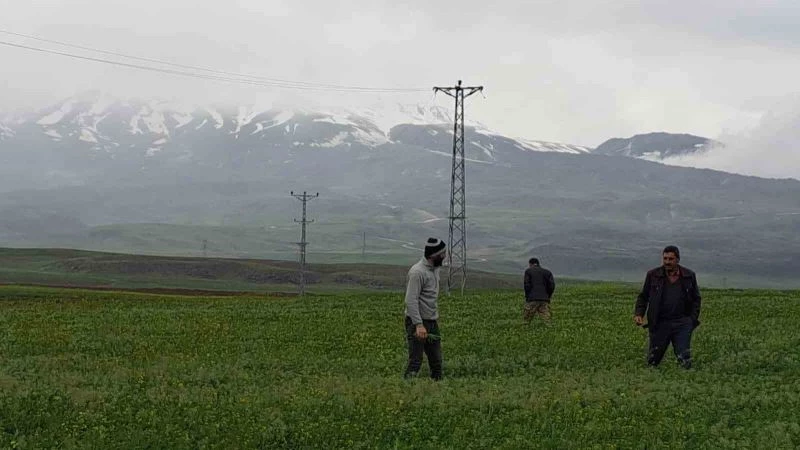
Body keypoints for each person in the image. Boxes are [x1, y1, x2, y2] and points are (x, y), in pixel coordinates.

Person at [634, 245, 702, 369]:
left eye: (670, 259)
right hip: (660, 323)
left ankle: (686, 382)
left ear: (678, 259)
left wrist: (691, 320)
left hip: (682, 323)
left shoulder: (688, 276)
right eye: (665, 259)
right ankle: (650, 383)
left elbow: (696, 299)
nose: (667, 262)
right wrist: (639, 314)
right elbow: (643, 296)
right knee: (653, 359)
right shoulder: (653, 275)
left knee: (684, 358)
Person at [403, 237, 446, 380]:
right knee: (416, 360)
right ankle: (407, 388)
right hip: (418, 323)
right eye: (443, 253)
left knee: (436, 361)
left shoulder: (435, 269)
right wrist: (419, 325)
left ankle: (437, 390)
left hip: (431, 322)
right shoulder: (417, 272)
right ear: (434, 256)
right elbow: (411, 300)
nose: (445, 256)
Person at [523, 257, 555, 324]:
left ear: (530, 264)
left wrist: (528, 296)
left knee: (526, 319)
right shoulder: (547, 272)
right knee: (547, 319)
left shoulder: (528, 271)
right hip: (544, 299)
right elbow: (551, 286)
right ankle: (549, 331)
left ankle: (524, 331)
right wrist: (548, 296)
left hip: (532, 298)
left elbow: (527, 285)